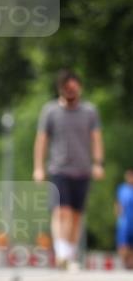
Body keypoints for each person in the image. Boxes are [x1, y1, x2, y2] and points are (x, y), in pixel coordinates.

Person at [33, 70, 104, 269]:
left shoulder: (90, 112)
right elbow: (41, 140)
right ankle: (61, 253)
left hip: (82, 169)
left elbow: (96, 138)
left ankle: (69, 255)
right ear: (61, 90)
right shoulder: (51, 111)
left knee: (76, 215)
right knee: (61, 211)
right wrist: (38, 168)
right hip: (59, 169)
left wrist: (98, 163)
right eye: (68, 89)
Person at [115, 169, 133, 269]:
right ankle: (124, 263)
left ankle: (131, 263)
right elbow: (118, 204)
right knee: (123, 243)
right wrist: (118, 217)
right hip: (125, 221)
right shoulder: (122, 189)